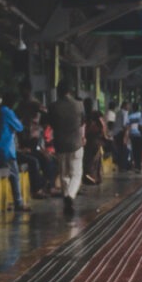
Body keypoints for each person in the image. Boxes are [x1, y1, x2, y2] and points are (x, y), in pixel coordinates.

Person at [47, 85, 87, 216]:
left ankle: (66, 197)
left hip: (60, 144)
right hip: (76, 143)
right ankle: (70, 195)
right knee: (76, 173)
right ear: (70, 91)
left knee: (64, 173)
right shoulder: (79, 105)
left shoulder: (53, 106)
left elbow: (51, 123)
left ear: (58, 92)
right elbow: (82, 122)